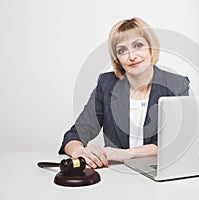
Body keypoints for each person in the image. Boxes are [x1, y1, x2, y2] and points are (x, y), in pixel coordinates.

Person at [58, 17, 190, 169]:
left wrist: (127, 154)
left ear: (151, 47)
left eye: (138, 45)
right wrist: (79, 151)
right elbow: (75, 134)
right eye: (122, 50)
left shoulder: (177, 85)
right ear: (117, 59)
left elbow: (177, 143)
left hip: (161, 172)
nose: (132, 56)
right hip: (117, 176)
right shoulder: (106, 84)